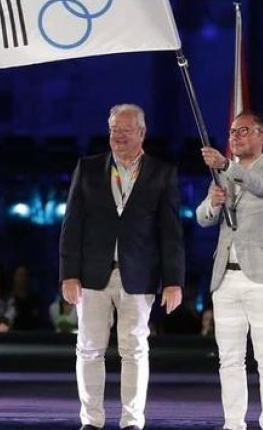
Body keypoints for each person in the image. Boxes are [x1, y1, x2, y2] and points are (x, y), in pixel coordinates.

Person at [59, 103, 184, 430]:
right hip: (92, 276)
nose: (118, 135)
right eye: (114, 129)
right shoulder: (87, 168)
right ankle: (91, 421)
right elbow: (71, 225)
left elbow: (171, 232)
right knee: (88, 350)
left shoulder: (161, 173)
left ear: (141, 133)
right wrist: (69, 274)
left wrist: (173, 281)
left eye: (125, 130)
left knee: (135, 351)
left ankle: (131, 422)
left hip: (139, 276)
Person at [196, 112, 263, 430]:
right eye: (233, 131)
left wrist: (226, 166)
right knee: (230, 358)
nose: (236, 136)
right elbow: (202, 218)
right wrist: (212, 203)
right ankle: (233, 422)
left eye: (244, 131)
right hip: (226, 277)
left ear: (262, 135)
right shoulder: (223, 176)